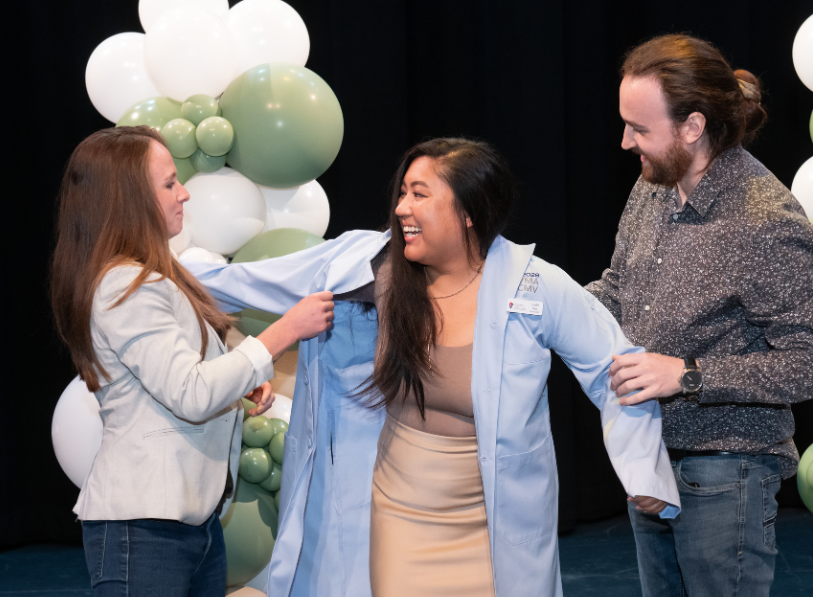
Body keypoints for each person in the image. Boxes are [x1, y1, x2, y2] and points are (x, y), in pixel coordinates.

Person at [184, 138, 682, 597]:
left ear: (468, 211)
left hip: (497, 520)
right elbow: (243, 283)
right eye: (402, 193)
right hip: (401, 513)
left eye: (419, 194)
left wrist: (642, 470)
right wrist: (155, 271)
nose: (401, 208)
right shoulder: (371, 267)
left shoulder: (532, 285)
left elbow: (614, 366)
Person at [584, 34, 813, 597]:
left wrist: (687, 374)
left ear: (693, 127)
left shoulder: (763, 220)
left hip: (727, 474)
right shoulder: (653, 185)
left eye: (639, 128)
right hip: (650, 456)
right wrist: (538, 303)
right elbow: (618, 288)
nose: (626, 141)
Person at [49, 125, 335, 596]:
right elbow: (192, 393)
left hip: (189, 525)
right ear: (127, 199)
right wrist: (288, 329)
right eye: (168, 184)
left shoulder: (149, 277)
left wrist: (235, 388)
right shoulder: (125, 283)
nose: (184, 194)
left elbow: (175, 381)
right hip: (144, 532)